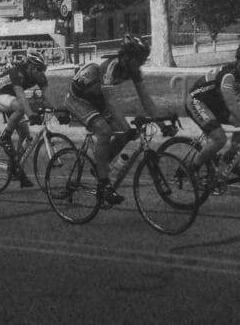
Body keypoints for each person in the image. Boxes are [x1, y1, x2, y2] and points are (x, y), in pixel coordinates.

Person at [63, 34, 166, 205]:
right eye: (138, 59)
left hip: (98, 99)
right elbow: (111, 102)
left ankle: (100, 166)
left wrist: (161, 123)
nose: (140, 63)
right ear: (126, 56)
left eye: (143, 59)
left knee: (124, 134)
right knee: (105, 130)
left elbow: (145, 98)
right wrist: (126, 127)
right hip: (78, 99)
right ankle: (104, 185)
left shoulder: (133, 69)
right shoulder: (111, 66)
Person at [185, 42, 240, 181]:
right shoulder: (228, 76)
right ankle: (192, 169)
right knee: (219, 139)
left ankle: (228, 160)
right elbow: (231, 104)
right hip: (198, 101)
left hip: (216, 103)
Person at [0, 49, 49, 187]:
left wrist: (59, 111)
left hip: (10, 99)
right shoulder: (17, 72)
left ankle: (16, 169)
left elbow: (49, 96)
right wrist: (31, 114)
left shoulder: (40, 76)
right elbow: (21, 96)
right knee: (20, 107)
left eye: (44, 69)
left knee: (25, 135)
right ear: (30, 67)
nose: (42, 72)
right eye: (39, 69)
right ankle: (5, 137)